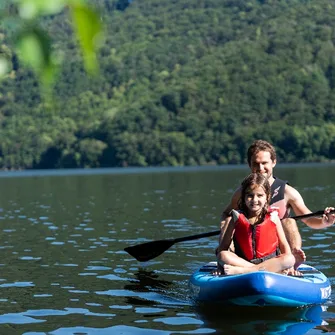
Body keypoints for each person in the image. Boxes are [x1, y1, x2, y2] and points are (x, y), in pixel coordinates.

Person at [218, 140, 335, 272]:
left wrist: (325, 222)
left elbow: (308, 219)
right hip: (245, 254)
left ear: (273, 162)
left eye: (264, 163)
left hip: (276, 253)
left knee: (288, 220)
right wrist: (225, 228)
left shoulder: (287, 192)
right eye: (256, 164)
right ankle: (234, 264)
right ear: (249, 165)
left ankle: (292, 262)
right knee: (229, 220)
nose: (260, 168)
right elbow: (226, 214)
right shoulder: (242, 192)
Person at [217, 173, 296, 275]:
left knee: (289, 258)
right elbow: (223, 248)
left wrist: (291, 268)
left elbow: (284, 246)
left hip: (268, 262)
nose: (254, 200)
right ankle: (265, 270)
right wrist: (219, 268)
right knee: (223, 255)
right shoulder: (236, 218)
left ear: (267, 197)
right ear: (243, 197)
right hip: (243, 262)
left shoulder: (273, 217)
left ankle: (245, 271)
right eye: (250, 195)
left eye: (260, 195)